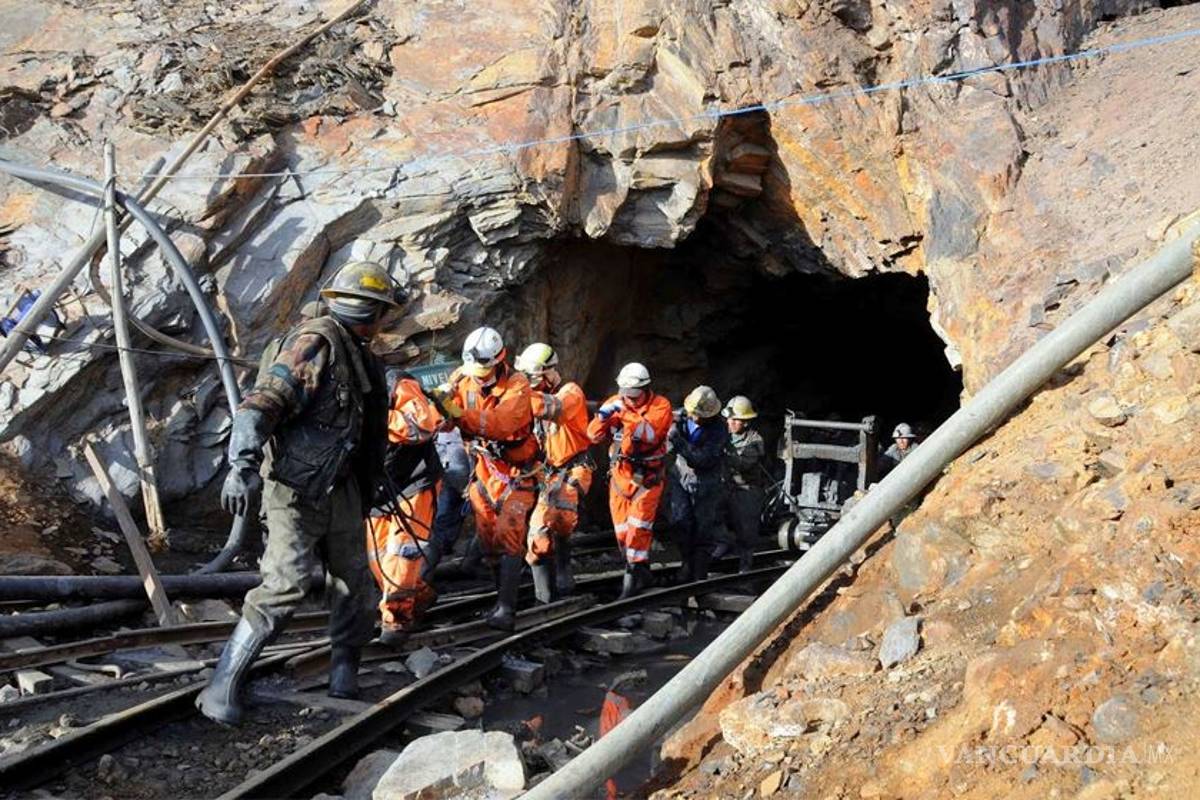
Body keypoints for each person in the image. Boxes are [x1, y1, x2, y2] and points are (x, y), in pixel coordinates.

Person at [197, 261, 403, 725]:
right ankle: (222, 684)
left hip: (342, 488)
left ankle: (343, 673)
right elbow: (261, 405)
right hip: (295, 489)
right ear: (374, 312)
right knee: (287, 582)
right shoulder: (316, 343)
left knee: (354, 583)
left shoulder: (361, 355)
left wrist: (372, 482)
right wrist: (242, 465)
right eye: (380, 312)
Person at [432, 327, 539, 631]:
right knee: (489, 538)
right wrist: (441, 406)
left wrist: (457, 413)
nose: (478, 377)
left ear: (499, 360)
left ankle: (507, 609)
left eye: (484, 370)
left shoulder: (517, 386)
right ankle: (499, 597)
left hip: (518, 472)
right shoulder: (463, 377)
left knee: (509, 533)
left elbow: (502, 424)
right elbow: (444, 405)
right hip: (485, 470)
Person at [366, 370, 444, 646]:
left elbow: (421, 426)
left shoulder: (398, 386)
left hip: (414, 482)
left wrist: (375, 419)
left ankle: (397, 621)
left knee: (401, 555)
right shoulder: (336, 400)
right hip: (379, 491)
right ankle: (419, 596)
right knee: (377, 559)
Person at [587, 362, 673, 599]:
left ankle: (629, 589)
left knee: (638, 530)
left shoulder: (660, 406)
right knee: (623, 533)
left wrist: (621, 413)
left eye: (634, 396)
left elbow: (649, 434)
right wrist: (603, 417)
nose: (630, 400)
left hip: (647, 479)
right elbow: (593, 436)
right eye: (626, 396)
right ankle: (640, 573)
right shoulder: (616, 402)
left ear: (646, 389)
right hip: (620, 478)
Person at [514, 342, 593, 602]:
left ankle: (554, 588)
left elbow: (554, 410)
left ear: (549, 372)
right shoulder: (536, 399)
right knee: (541, 532)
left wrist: (517, 394)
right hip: (546, 473)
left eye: (535, 380)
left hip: (573, 469)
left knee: (555, 519)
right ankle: (548, 595)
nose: (533, 386)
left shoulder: (571, 393)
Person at [667, 385, 728, 581]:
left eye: (698, 415)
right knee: (681, 522)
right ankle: (686, 564)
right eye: (693, 413)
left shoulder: (719, 429)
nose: (694, 417)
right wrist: (671, 428)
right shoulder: (683, 416)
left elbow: (703, 459)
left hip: (706, 483)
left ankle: (699, 573)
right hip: (681, 477)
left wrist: (679, 442)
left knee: (703, 528)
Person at [722, 395, 766, 573]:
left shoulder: (755, 441)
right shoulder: (724, 434)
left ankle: (745, 573)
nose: (730, 423)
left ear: (746, 422)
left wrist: (722, 449)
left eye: (736, 420)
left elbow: (742, 464)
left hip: (747, 491)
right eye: (729, 419)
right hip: (726, 487)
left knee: (746, 534)